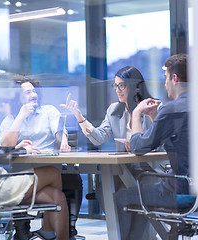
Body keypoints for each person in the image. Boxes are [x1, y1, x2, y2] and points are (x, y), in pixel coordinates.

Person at [0, 66, 69, 240]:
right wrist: (22, 150)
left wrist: (16, 149)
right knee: (53, 172)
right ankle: (48, 232)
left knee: (57, 196)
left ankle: (48, 231)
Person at [61, 66, 160, 240]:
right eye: (115, 86)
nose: (117, 90)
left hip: (148, 170)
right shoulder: (114, 110)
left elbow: (160, 144)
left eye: (122, 85)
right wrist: (79, 117)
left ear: (135, 86)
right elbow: (98, 138)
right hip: (123, 171)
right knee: (104, 191)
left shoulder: (151, 107)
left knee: (122, 196)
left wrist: (142, 147)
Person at [0, 75, 83, 240]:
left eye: (34, 91)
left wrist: (63, 142)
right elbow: (5, 145)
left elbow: (59, 131)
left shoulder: (48, 111)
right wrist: (21, 116)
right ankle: (26, 230)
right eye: (28, 92)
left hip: (50, 170)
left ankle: (65, 229)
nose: (34, 94)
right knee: (55, 193)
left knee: (73, 179)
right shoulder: (10, 120)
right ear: (17, 97)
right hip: (24, 175)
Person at [115, 53, 189, 239]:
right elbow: (177, 142)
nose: (164, 84)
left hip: (182, 189)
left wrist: (137, 113)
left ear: (174, 78)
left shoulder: (173, 109)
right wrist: (154, 118)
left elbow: (139, 147)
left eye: (165, 79)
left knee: (121, 198)